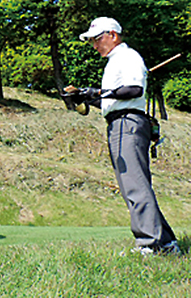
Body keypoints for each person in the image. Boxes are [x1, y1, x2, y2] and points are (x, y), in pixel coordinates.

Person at [74, 17, 180, 256]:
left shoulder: (127, 57)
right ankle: (166, 243)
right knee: (135, 185)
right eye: (92, 41)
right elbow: (111, 99)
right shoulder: (114, 61)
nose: (95, 45)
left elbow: (135, 90)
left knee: (135, 186)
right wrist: (87, 97)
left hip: (127, 123)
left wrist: (100, 92)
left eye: (97, 39)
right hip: (119, 122)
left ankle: (151, 244)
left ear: (113, 35)